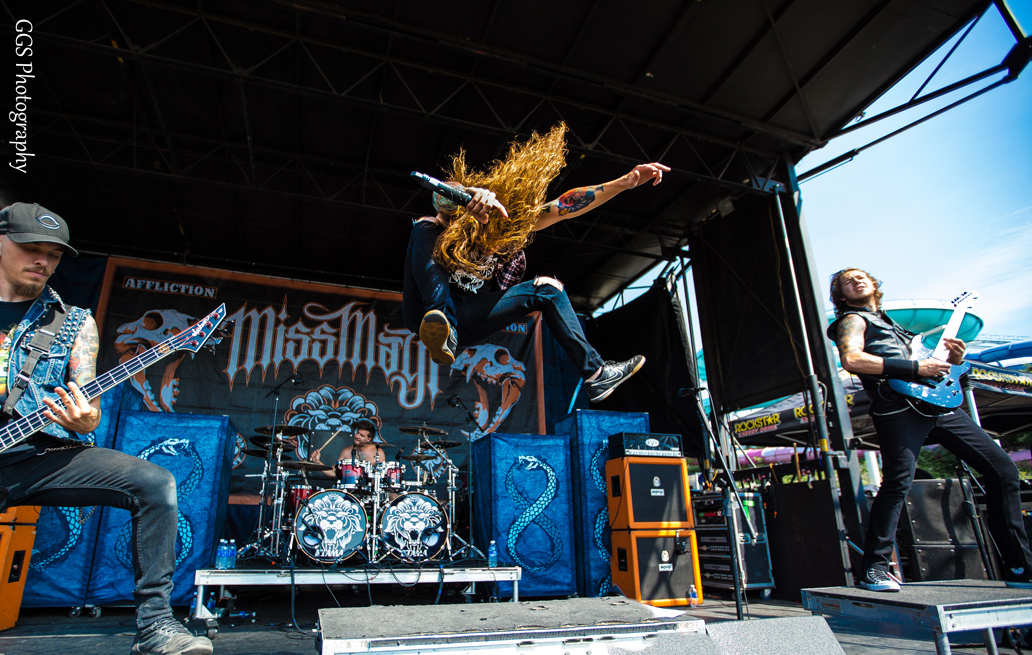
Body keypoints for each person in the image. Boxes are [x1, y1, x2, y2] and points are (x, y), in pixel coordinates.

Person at [0, 203, 212, 655]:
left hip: (35, 456)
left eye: (54, 254)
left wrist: (85, 419)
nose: (43, 261)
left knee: (155, 483)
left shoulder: (73, 323)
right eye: (31, 248)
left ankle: (156, 625)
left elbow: (90, 409)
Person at [403, 123, 670, 403]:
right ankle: (442, 323)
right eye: (492, 236)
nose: (495, 247)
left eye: (503, 241)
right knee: (424, 225)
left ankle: (597, 373)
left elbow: (565, 206)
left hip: (470, 316)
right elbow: (440, 196)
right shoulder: (458, 218)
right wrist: (470, 193)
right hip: (424, 310)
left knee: (549, 289)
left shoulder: (513, 226)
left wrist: (623, 183)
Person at [827, 267, 1032, 592]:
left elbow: (936, 368)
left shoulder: (897, 328)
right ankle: (874, 570)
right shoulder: (852, 320)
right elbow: (852, 359)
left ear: (875, 284)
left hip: (938, 405)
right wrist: (915, 368)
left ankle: (1020, 566)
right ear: (841, 295)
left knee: (1003, 471)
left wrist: (954, 359)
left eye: (861, 276)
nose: (857, 280)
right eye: (847, 281)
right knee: (897, 483)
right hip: (898, 408)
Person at [309, 419, 386, 479]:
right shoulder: (346, 452)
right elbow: (333, 472)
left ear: (369, 439)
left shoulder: (378, 453)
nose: (357, 436)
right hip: (348, 491)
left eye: (362, 435)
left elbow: (383, 477)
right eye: (357, 433)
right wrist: (318, 462)